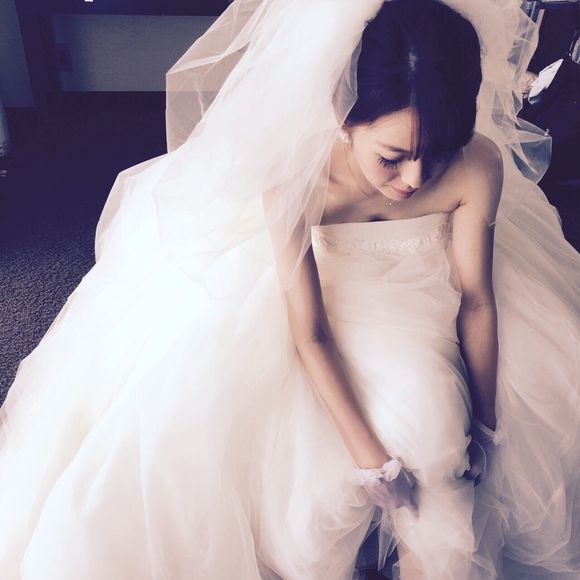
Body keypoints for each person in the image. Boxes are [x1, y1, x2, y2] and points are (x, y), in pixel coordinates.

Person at [0, 0, 579, 578]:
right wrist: (371, 461)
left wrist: (486, 424)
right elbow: (310, 333)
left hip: (426, 289)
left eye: (438, 154)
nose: (415, 178)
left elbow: (476, 300)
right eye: (392, 158)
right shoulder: (298, 178)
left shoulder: (476, 165)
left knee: (452, 431)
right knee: (194, 417)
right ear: (344, 118)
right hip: (325, 298)